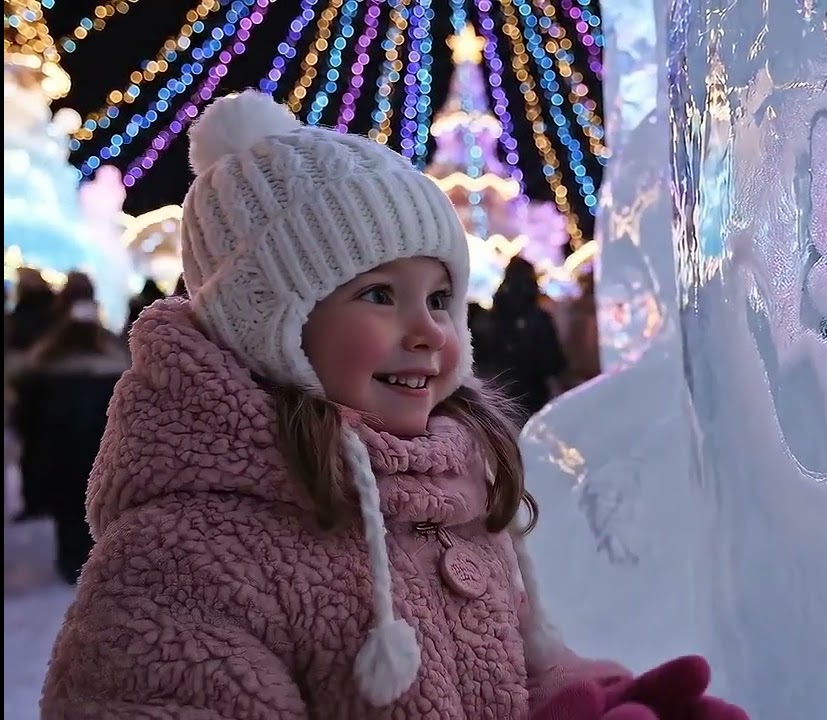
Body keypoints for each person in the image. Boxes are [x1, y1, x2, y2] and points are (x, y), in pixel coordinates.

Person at [40, 91, 744, 720]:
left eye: (440, 299)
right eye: (379, 294)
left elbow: (510, 672)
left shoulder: (456, 490)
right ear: (270, 324)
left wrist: (587, 700)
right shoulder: (187, 556)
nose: (428, 330)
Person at [10, 298, 127, 582]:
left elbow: (25, 417)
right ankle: (96, 557)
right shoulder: (114, 369)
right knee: (98, 507)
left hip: (57, 452)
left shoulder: (43, 369)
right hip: (99, 450)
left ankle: (70, 561)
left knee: (68, 511)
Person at [475, 256, 567, 422]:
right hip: (533, 393)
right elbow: (553, 361)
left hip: (500, 391)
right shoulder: (538, 317)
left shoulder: (493, 316)